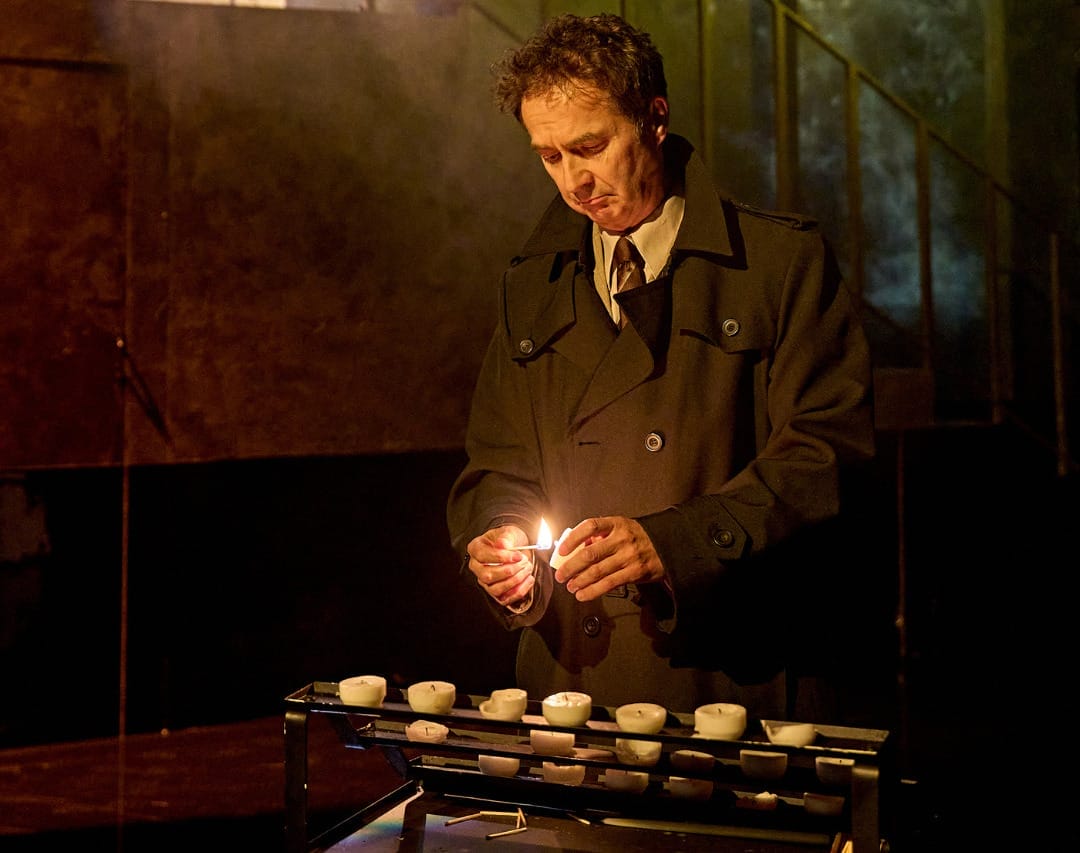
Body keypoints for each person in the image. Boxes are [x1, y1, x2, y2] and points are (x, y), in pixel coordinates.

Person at [446, 12, 875, 723]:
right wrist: (500, 547)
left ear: (654, 119)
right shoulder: (531, 283)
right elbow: (497, 466)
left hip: (727, 679)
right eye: (549, 156)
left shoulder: (778, 265)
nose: (574, 182)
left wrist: (670, 543)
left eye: (589, 147)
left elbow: (825, 455)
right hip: (573, 689)